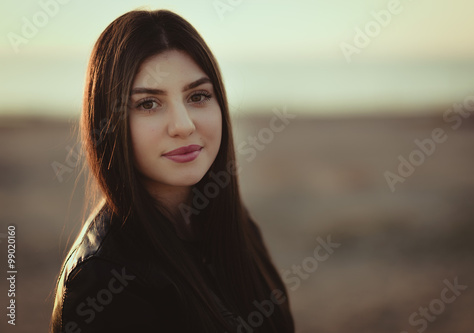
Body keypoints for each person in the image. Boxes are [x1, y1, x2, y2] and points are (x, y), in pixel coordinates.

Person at [50, 9, 295, 333]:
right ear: (108, 123)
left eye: (198, 96)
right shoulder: (101, 280)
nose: (183, 125)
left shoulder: (233, 223)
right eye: (148, 103)